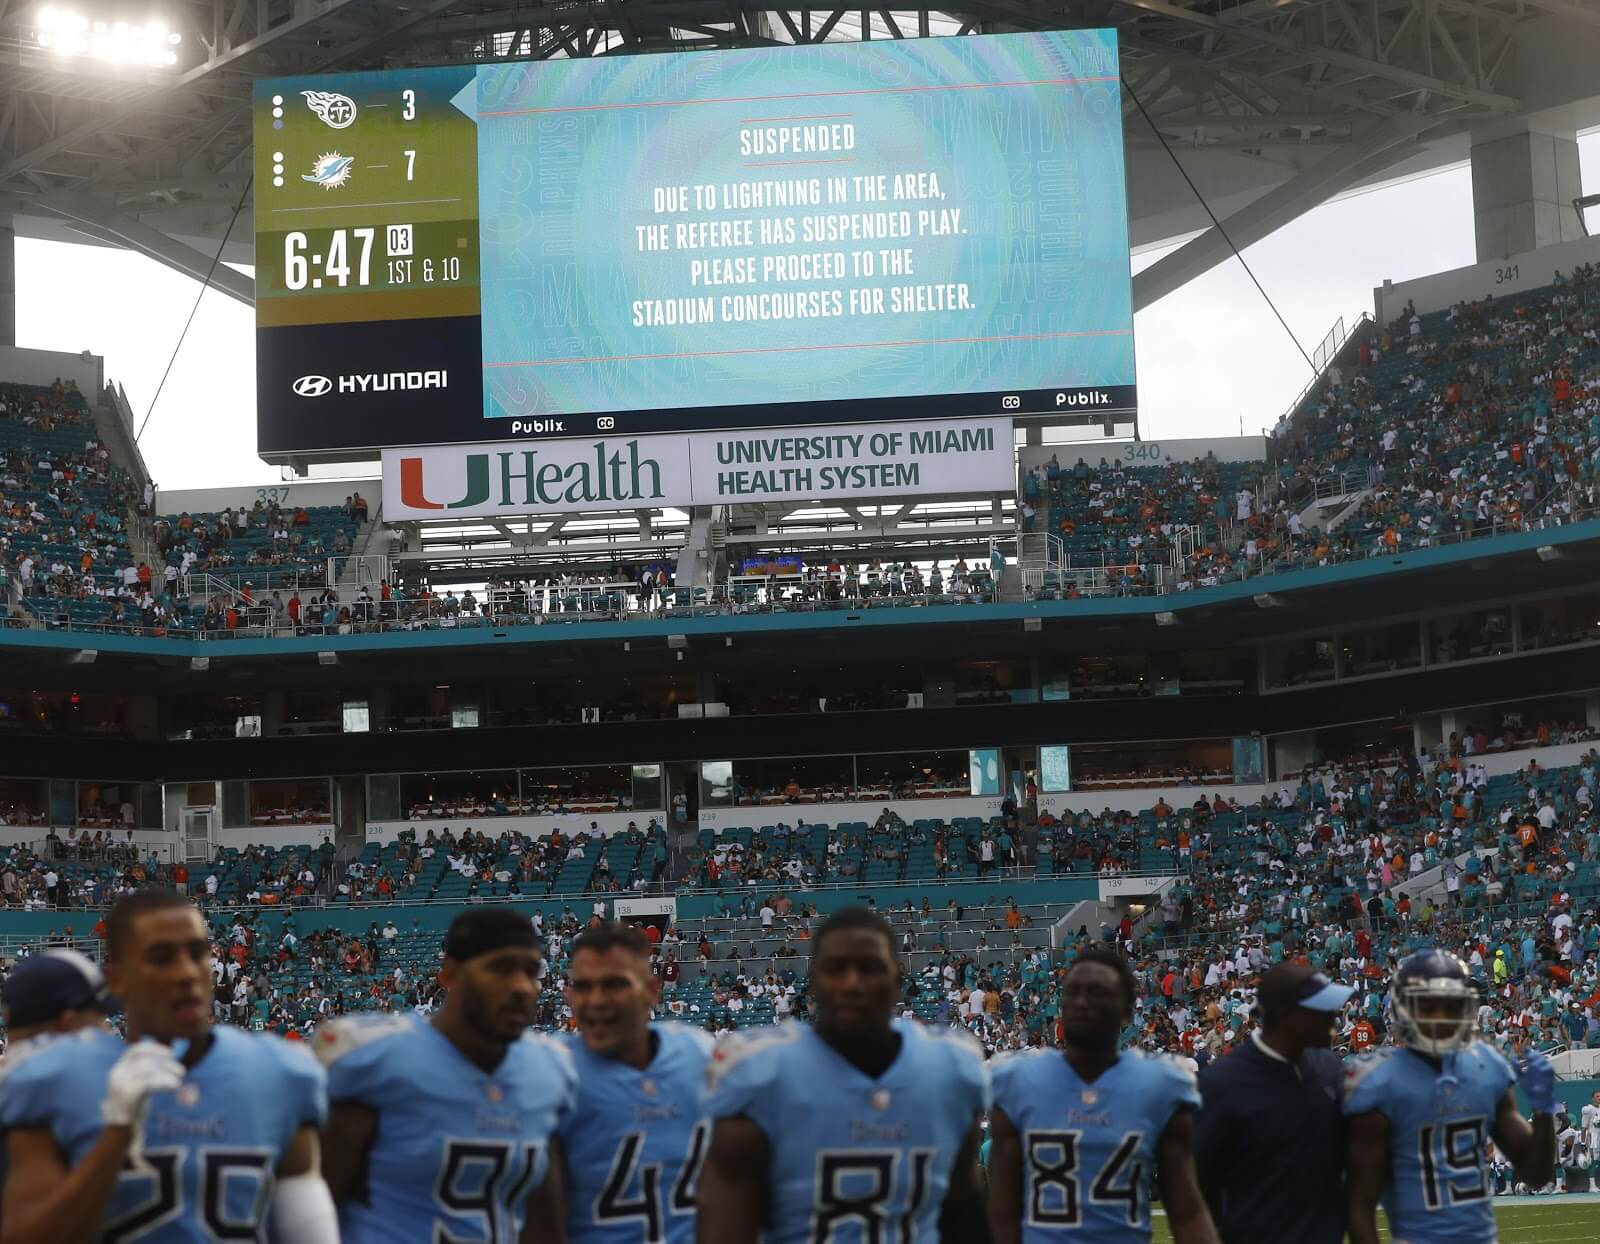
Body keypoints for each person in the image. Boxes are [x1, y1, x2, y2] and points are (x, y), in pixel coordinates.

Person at [0, 890, 335, 1242]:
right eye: (162, 958)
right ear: (117, 980)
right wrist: (116, 1137)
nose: (187, 973)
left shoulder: (276, 1072)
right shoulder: (53, 1080)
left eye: (197, 953)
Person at [697, 905, 990, 1243]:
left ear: (897, 982)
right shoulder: (759, 1074)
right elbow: (726, 1228)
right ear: (814, 983)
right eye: (836, 969)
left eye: (870, 968)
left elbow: (962, 1213)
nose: (853, 984)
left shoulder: (947, 1068)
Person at [317, 906, 576, 1243]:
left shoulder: (548, 1070)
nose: (521, 987)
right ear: (450, 975)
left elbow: (545, 1226)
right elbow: (310, 1209)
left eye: (530, 971)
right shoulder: (376, 1061)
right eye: (500, 969)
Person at [987, 948, 1218, 1244]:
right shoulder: (1018, 1080)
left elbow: (1186, 1210)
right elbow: (1003, 1212)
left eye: (1097, 993)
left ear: (1126, 1010)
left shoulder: (1160, 1085)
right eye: (1072, 993)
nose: (1081, 1003)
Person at [1344, 949, 1556, 1244]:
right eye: (1429, 1006)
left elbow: (1536, 1175)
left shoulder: (1487, 1065)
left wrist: (1544, 1111)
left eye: (1451, 1005)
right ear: (1406, 1010)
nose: (1442, 1018)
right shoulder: (1378, 1082)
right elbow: (1359, 1202)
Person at [528, 922, 710, 1244]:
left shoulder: (701, 1056)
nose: (596, 1000)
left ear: (652, 991)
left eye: (614, 984)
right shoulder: (549, 1074)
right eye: (583, 986)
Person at [1194, 963, 1352, 1244]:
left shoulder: (1329, 1066)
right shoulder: (1222, 1083)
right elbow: (1198, 1186)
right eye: (1321, 1009)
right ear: (1287, 1016)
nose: (1333, 1017)